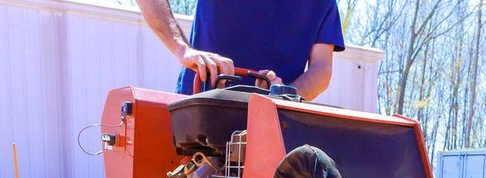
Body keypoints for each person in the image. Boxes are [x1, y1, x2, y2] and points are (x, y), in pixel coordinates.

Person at [139, 0, 344, 101]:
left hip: (272, 131)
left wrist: (285, 95)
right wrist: (182, 49)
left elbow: (322, 69)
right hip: (199, 120)